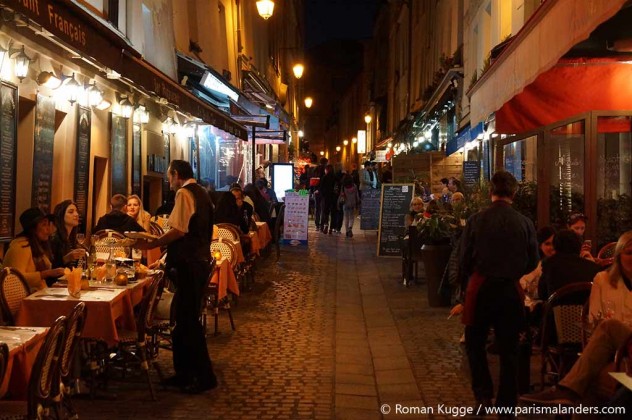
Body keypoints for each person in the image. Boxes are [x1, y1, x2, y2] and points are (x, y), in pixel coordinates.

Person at [458, 170, 539, 410]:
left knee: (475, 344)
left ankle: (483, 396)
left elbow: (463, 259)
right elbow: (533, 261)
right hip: (510, 291)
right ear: (513, 193)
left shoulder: (476, 220)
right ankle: (506, 403)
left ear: (491, 192)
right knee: (509, 349)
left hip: (481, 287)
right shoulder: (524, 222)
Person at [135, 160, 217, 393]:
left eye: (169, 176)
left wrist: (155, 242)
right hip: (199, 261)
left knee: (188, 322)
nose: (168, 180)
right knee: (182, 322)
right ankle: (184, 373)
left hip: (189, 264)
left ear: (177, 174)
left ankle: (204, 377)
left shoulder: (184, 193)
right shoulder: (202, 192)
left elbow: (179, 230)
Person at [3, 208, 65, 291]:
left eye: (48, 224)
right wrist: (46, 274)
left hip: (39, 294)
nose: (48, 229)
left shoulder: (36, 244)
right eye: (43, 225)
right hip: (22, 300)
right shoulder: (21, 246)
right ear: (33, 228)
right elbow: (15, 278)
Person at [537, 229, 601, 302]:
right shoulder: (593, 267)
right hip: (586, 312)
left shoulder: (549, 264)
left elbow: (542, 294)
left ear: (556, 246)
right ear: (579, 245)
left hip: (556, 312)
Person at [588, 230, 632, 322]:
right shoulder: (602, 280)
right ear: (618, 256)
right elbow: (594, 319)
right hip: (610, 335)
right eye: (629, 253)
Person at [519, 226, 556, 297]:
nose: (552, 247)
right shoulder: (538, 264)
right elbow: (522, 283)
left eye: (554, 243)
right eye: (547, 244)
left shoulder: (563, 263)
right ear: (540, 246)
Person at [49, 200, 86, 271]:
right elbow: (51, 267)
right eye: (71, 212)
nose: (76, 214)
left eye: (76, 211)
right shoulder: (55, 239)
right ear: (61, 215)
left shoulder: (72, 239)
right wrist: (67, 258)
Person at [319, 164, 337, 234]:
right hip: (334, 198)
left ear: (327, 170)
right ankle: (331, 229)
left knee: (325, 212)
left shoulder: (325, 177)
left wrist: (322, 195)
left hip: (326, 198)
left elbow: (321, 187)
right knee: (333, 213)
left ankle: (326, 225)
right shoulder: (335, 178)